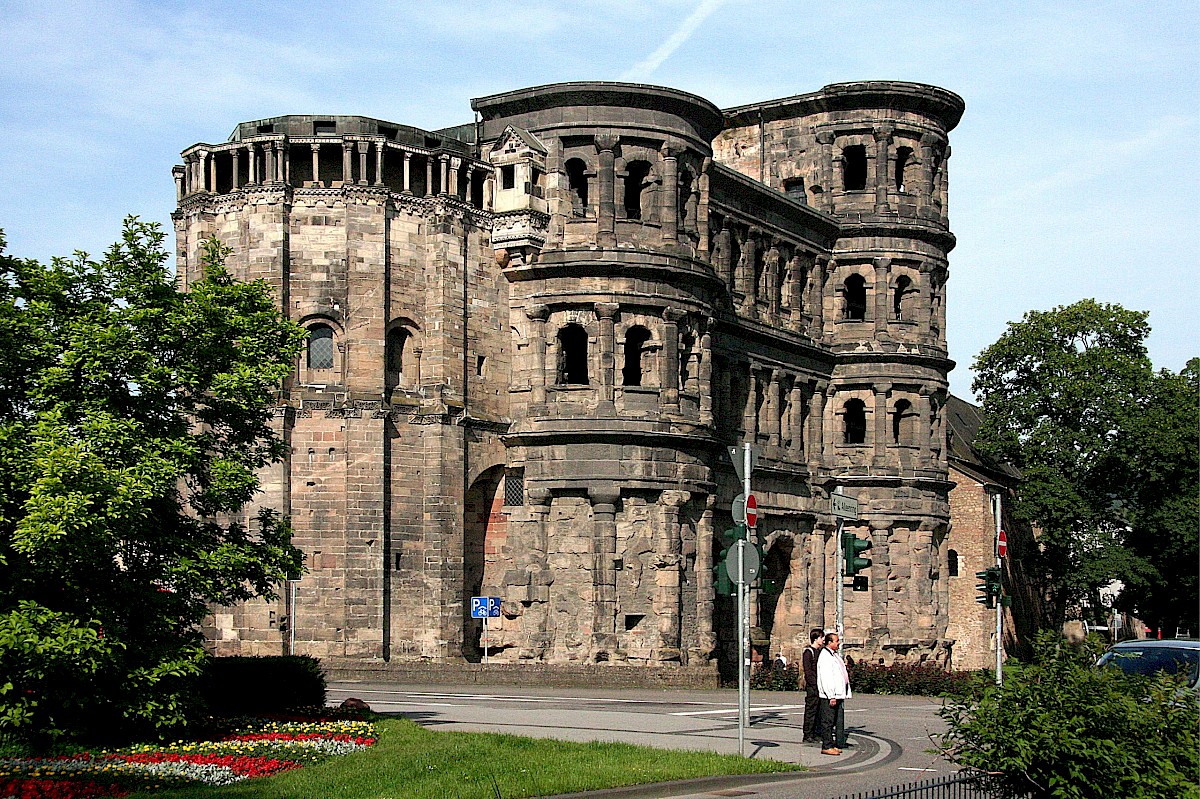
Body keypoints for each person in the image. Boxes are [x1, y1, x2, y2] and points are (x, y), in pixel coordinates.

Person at [816, 631, 851, 755]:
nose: (838, 643)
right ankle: (826, 745)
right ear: (829, 642)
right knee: (828, 721)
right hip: (829, 695)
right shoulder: (825, 656)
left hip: (836, 694)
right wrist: (831, 695)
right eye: (836, 641)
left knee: (833, 721)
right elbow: (827, 677)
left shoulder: (833, 655)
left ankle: (831, 744)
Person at [800, 627, 825, 743]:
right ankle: (808, 734)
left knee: (819, 711)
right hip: (813, 687)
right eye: (821, 637)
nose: (823, 640)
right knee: (811, 710)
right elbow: (808, 671)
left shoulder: (821, 652)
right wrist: (814, 684)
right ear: (816, 639)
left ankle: (816, 733)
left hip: (820, 685)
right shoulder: (808, 652)